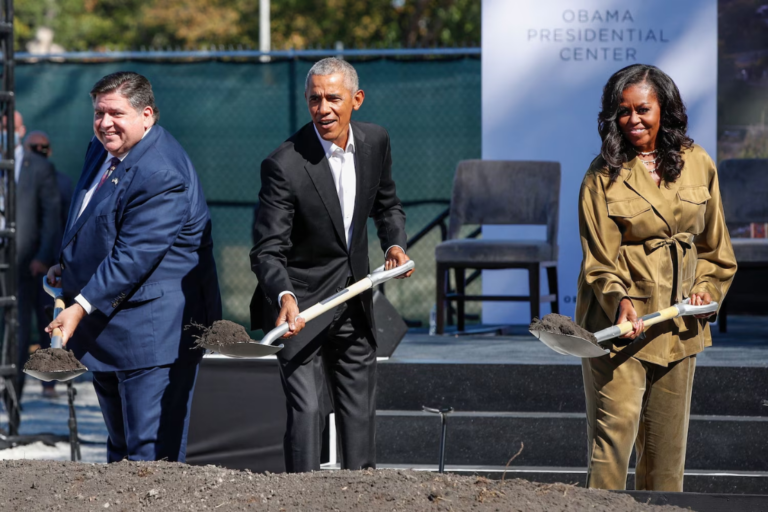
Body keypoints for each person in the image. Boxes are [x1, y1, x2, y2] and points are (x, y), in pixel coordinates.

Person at [576, 64, 737, 491]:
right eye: (623, 112)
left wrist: (707, 288)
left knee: (666, 456)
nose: (633, 121)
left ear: (664, 108)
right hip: (621, 327)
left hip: (679, 325)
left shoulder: (698, 162)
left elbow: (716, 251)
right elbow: (599, 261)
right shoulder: (601, 176)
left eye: (642, 109)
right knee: (613, 441)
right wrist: (621, 303)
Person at [46, 71, 222, 462]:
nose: (105, 123)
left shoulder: (161, 171)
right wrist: (67, 267)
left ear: (147, 115)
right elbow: (90, 216)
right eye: (98, 113)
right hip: (106, 326)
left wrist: (79, 305)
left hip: (153, 334)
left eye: (115, 113)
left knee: (149, 456)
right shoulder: (104, 148)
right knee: (120, 448)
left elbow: (134, 256)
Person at [251, 57, 413, 473]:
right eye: (314, 99)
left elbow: (388, 204)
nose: (323, 108)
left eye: (333, 98)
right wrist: (284, 295)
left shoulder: (376, 141)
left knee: (358, 415)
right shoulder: (284, 164)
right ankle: (301, 497)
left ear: (356, 100)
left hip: (355, 298)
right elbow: (267, 249)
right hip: (300, 307)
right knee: (306, 415)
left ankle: (361, 494)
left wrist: (394, 245)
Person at [1, 113, 60, 400]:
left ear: (20, 130)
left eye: (9, 126)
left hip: (24, 266)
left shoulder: (38, 167)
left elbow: (51, 219)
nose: (5, 131)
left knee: (19, 328)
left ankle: (11, 399)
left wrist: (42, 256)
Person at [24, 130, 73, 399]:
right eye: (35, 146)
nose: (40, 150)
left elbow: (61, 226)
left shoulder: (63, 183)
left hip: (52, 268)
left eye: (44, 146)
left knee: (50, 323)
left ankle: (50, 380)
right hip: (23, 265)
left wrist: (49, 259)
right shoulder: (17, 182)